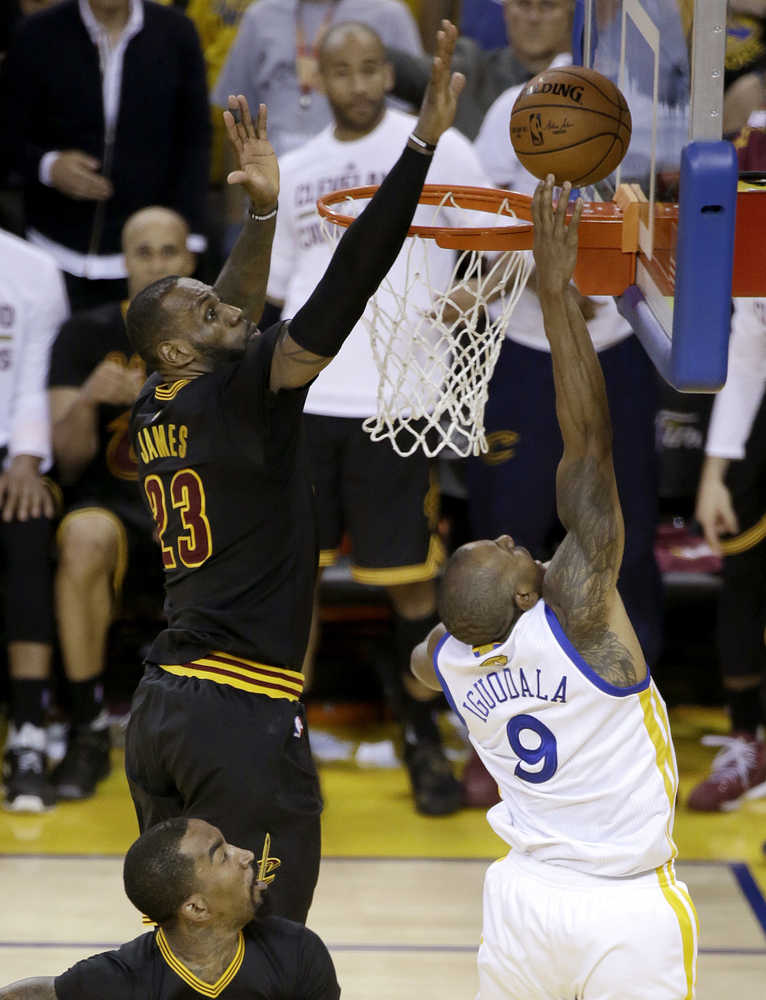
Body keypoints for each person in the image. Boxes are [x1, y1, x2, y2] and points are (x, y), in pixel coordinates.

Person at [122, 23, 466, 923]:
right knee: (267, 943)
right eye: (208, 313)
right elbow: (350, 278)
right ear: (178, 348)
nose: (232, 308)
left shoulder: (160, 402)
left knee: (185, 940)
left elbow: (227, 308)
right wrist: (419, 146)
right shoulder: (245, 397)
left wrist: (266, 215)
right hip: (236, 716)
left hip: (164, 706)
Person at [411, 177, 698, 1000]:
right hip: (624, 905)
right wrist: (557, 295)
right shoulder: (580, 619)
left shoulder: (452, 663)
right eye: (506, 552)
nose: (512, 537)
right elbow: (590, 451)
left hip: (521, 901)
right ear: (525, 599)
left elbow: (422, 661)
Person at [265, 20, 493, 816]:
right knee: (293, 585)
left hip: (399, 402)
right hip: (307, 403)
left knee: (410, 586)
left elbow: (506, 246)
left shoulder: (439, 147)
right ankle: (284, 745)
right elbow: (277, 291)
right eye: (342, 71)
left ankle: (422, 736)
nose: (359, 84)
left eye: (370, 68)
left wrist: (470, 295)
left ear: (387, 73)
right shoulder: (298, 169)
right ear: (317, 80)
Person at [46, 207, 196, 802]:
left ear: (190, 259)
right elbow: (68, 460)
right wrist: (86, 400)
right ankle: (86, 727)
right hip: (113, 505)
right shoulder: (86, 334)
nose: (157, 264)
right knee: (82, 536)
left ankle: (238, 734)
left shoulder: (220, 332)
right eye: (144, 252)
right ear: (124, 262)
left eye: (169, 251)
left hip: (196, 505)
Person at [2, 0, 209, 310]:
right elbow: (8, 132)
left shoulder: (177, 32)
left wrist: (188, 237)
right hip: (53, 251)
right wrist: (48, 166)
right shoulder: (36, 33)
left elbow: (195, 140)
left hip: (148, 259)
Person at [0, 817, 341, 1000]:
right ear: (196, 908)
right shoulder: (124, 978)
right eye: (223, 855)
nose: (247, 855)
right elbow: (43, 992)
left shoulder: (297, 951)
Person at [0, 230, 68, 813]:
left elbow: (33, 382)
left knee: (27, 524)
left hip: (10, 455)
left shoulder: (33, 269)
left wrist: (24, 459)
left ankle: (27, 732)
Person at [386, 0, 573, 139]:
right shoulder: (471, 69)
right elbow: (406, 70)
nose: (534, 17)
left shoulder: (584, 84)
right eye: (523, 4)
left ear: (570, 14)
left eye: (547, 5)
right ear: (506, 11)